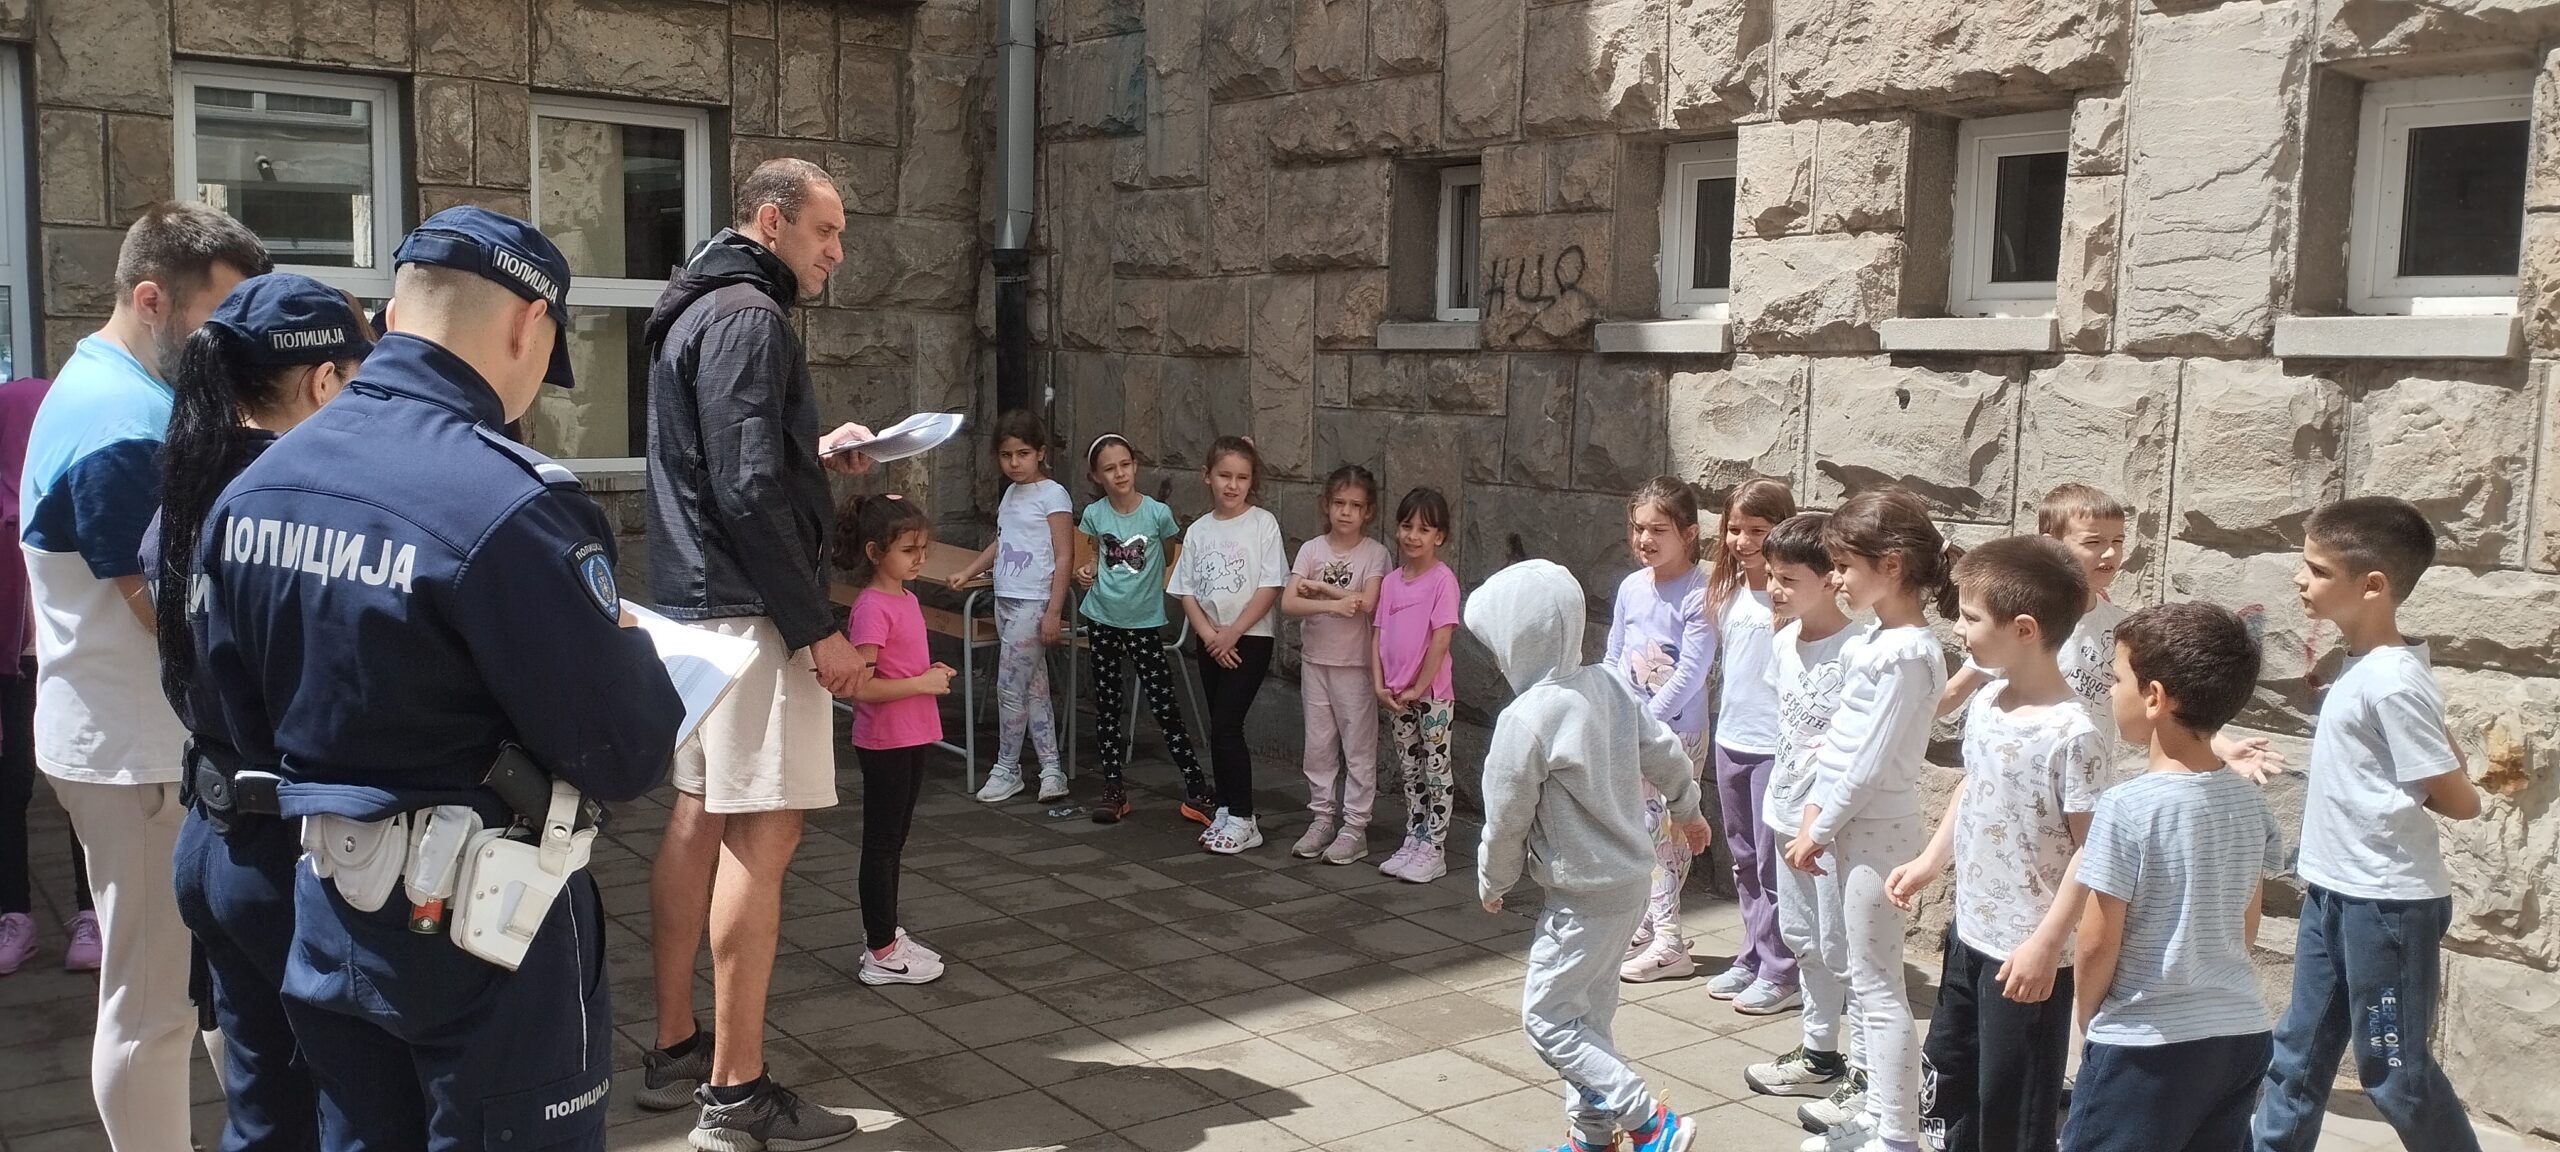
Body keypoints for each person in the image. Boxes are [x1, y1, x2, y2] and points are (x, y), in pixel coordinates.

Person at [187, 206, 685, 1152]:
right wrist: (629, 649)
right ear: (527, 325)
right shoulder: (508, 501)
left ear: (393, 316)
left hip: (329, 914)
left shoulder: (252, 492)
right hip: (486, 933)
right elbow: (622, 752)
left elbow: (240, 719)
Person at [638, 158, 876, 1138]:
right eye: (826, 231)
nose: (836, 252)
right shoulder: (749, 316)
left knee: (701, 815)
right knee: (762, 836)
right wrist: (819, 629)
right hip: (750, 614)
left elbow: (723, 461)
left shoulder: (699, 305)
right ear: (771, 222)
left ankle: (675, 1048)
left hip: (702, 607)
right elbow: (741, 489)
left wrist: (808, 454)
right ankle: (735, 1096)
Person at [22, 200, 267, 1147]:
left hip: (133, 745)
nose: (231, 347)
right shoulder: (122, 422)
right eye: (219, 319)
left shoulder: (105, 384)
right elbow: (174, 617)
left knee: (187, 994)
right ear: (153, 298)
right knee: (152, 1006)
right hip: (139, 757)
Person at [155, 274, 373, 1152]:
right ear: (323, 381)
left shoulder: (190, 490)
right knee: (346, 1111)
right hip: (288, 857)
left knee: (261, 1114)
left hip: (212, 836)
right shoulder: (301, 513)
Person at [2252, 496, 2485, 1152]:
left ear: (2372, 585)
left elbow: (2461, 801)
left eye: (2318, 570)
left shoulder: (2392, 681)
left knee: (2395, 1077)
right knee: (2296, 1054)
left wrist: (2431, 771)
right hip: (2332, 890)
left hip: (2385, 906)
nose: (2300, 579)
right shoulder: (2365, 664)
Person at [1470, 558, 1710, 1152]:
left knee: (1548, 1019)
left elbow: (1506, 818)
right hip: (1629, 886)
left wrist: (1494, 879)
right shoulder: (1608, 684)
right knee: (1588, 1020)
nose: (1497, 660)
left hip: (1581, 898)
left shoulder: (1525, 720)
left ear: (1518, 643)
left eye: (1498, 646)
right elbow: (1663, 750)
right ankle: (1592, 1137)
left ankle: (1651, 1121)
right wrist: (1688, 808)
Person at [1886, 536, 2101, 1152]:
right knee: (1950, 1080)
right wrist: (1930, 861)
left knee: (2012, 1108)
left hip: (2025, 959)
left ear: (2024, 629)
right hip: (1969, 934)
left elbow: (2091, 850)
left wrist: (2046, 945)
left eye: (1971, 616)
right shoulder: (1985, 701)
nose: (1957, 628)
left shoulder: (2072, 733)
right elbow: (1975, 788)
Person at [2062, 602, 2282, 1152]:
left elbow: (2097, 940)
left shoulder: (2125, 807)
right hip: (2239, 1032)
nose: (2110, 690)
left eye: (2118, 679)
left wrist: (2089, 1018)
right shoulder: (2251, 804)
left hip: (2145, 1043)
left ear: (2155, 697)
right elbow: (2247, 925)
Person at [1781, 487, 1956, 1152]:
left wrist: (1817, 829)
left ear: (1892, 566)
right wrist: (1816, 815)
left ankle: (1897, 1134)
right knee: (1863, 977)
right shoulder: (1881, 640)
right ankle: (1879, 1114)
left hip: (1878, 832)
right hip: (1853, 827)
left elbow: (1870, 762)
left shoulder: (1907, 652)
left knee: (1879, 987)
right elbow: (1839, 746)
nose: (1836, 579)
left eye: (1844, 566)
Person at [1937, 485, 2281, 781]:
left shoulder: (2123, 630)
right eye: (2094, 541)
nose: (2111, 553)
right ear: (2051, 545)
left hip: (2083, 785)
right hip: (2012, 776)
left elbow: (2167, 705)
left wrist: (2222, 747)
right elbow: (1954, 691)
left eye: (2118, 540)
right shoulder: (2018, 625)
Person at [1743, 513, 1865, 1123]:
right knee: (1805, 938)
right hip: (1786, 812)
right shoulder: (1784, 642)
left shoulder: (1862, 649)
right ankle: (1820, 1053)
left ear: (1830, 578)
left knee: (1848, 949)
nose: (1775, 589)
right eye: (1772, 576)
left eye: (1789, 578)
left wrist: (1824, 822)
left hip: (1837, 828)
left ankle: (1866, 1071)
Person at [0, 373, 101, 976]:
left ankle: (90, 911)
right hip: (12, 671)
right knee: (8, 785)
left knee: (77, 781)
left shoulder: (76, 493)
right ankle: (14, 914)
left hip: (67, 660)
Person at [838, 493, 956, 986]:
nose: (920, 558)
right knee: (883, 844)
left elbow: (898, 668)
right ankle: (880, 951)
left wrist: (926, 673)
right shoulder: (870, 607)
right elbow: (860, 687)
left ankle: (885, 936)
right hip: (885, 739)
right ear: (874, 552)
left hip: (910, 734)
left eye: (923, 548)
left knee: (894, 841)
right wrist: (922, 684)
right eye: (909, 550)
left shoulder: (905, 598)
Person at [1602, 477, 1714, 983]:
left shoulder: (1699, 591)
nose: (1644, 539)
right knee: (1643, 830)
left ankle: (1670, 941)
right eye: (1638, 528)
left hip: (1676, 735)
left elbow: (1691, 671)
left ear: (1688, 533)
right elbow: (1614, 655)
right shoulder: (1632, 587)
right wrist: (1610, 710)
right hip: (1632, 729)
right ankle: (1652, 923)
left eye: (1658, 530)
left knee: (1667, 833)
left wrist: (1646, 722)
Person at [1700, 477, 1799, 1012]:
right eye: (1735, 529)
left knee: (1770, 862)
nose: (1742, 541)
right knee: (1741, 857)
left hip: (1774, 746)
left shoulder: (1793, 598)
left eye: (1757, 530)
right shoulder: (1728, 589)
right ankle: (1753, 954)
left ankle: (1782, 969)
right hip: (1731, 737)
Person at [1073, 433, 1206, 824]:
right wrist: (1087, 570)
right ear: (1096, 476)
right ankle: (1114, 789)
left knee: (1164, 706)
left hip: (1144, 622)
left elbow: (1167, 556)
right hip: (1101, 618)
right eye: (1109, 469)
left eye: (1125, 465)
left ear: (1135, 466)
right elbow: (1094, 554)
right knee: (1107, 706)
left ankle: (1196, 789)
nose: (1119, 474)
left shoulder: (1157, 514)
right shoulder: (1095, 514)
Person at [1169, 436, 1288, 854]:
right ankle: (1224, 806)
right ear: (1207, 476)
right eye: (1224, 476)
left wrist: (1233, 632)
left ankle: (1243, 817)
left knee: (1227, 725)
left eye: (1242, 477)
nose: (1232, 485)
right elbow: (1185, 590)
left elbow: (1270, 585)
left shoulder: (1262, 524)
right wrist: (1208, 635)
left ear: (1252, 481)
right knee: (1217, 725)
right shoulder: (1198, 530)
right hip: (1210, 639)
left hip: (1247, 640)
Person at [948, 410, 1070, 805]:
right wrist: (969, 572)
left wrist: (1054, 611)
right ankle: (1051, 769)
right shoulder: (1012, 494)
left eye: (1023, 454)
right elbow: (1003, 542)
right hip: (1006, 599)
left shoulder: (1053, 495)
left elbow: (1064, 555)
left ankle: (1007, 767)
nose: (1014, 463)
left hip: (1034, 602)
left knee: (1009, 689)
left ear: (1040, 453)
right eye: (1006, 455)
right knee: (1033, 688)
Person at [1281, 464, 1389, 864]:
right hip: (1316, 663)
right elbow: (1289, 602)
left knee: (1358, 749)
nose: (1346, 512)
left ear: (1368, 511)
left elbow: (1370, 602)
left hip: (1356, 668)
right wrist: (1333, 604)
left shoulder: (1375, 553)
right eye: (1339, 503)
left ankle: (1355, 827)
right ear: (1326, 504)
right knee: (1319, 746)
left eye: (1355, 505)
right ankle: (1322, 818)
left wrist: (1324, 589)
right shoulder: (1312, 549)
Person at [1374, 486, 1460, 884]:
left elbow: (1440, 641)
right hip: (1396, 695)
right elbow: (1378, 634)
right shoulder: (1391, 582)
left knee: (1435, 768)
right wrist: (1380, 683)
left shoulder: (1443, 581)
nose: (1413, 536)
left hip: (1432, 696)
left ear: (1439, 536)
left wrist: (1418, 686)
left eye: (1424, 529)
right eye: (1407, 526)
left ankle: (1434, 848)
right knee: (1410, 770)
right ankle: (1415, 836)